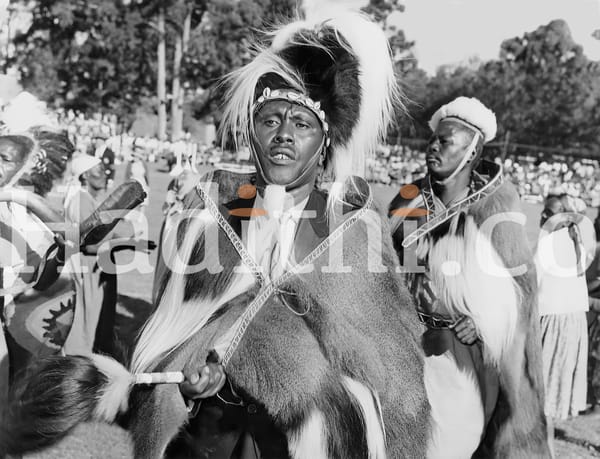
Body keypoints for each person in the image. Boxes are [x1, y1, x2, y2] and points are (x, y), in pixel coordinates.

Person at [127, 11, 429, 459]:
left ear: (324, 141)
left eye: (302, 124)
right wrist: (187, 384)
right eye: (270, 120)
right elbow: (162, 340)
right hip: (208, 439)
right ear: (252, 129)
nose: (283, 135)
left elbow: (394, 369)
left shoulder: (354, 227)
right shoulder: (207, 213)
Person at [389, 97, 549, 457]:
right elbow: (395, 268)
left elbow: (521, 294)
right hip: (405, 349)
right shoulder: (408, 203)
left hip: (469, 357)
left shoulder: (498, 209)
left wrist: (483, 323)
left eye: (446, 141)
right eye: (433, 139)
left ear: (473, 150)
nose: (433, 146)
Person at [0, 129, 76, 407]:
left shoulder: (18, 213)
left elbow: (69, 239)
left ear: (22, 169)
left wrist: (25, 198)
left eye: (5, 160)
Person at [536, 194, 593, 421]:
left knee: (539, 398)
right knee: (547, 402)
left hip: (554, 323)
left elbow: (528, 287)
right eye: (544, 211)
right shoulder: (575, 241)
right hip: (573, 324)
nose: (543, 216)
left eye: (549, 213)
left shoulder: (549, 241)